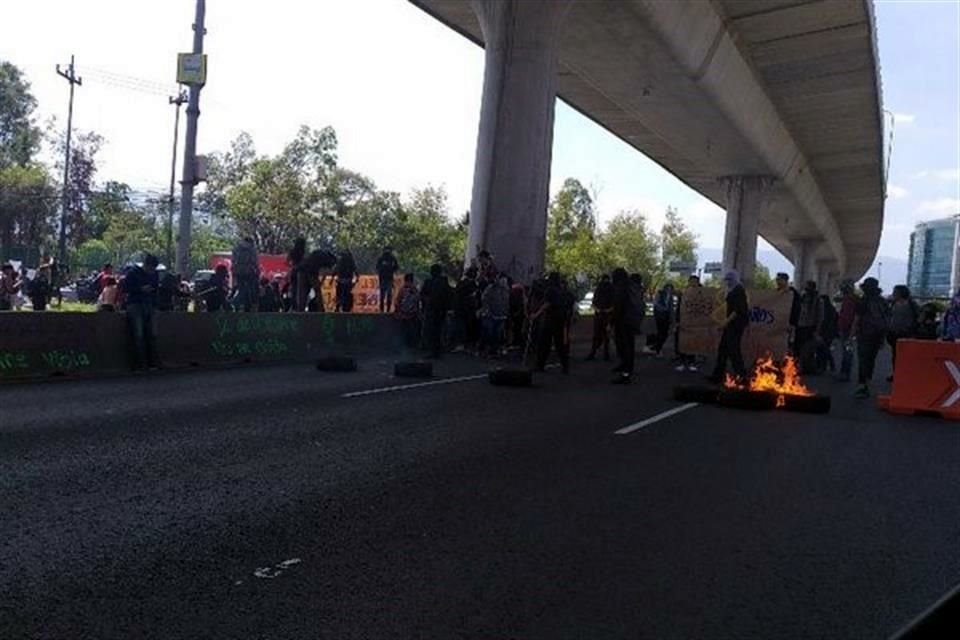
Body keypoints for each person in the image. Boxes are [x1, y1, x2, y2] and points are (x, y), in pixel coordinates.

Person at [708, 270, 750, 384]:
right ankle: (717, 376)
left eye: (729, 280)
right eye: (726, 280)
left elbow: (737, 310)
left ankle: (742, 376)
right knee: (723, 350)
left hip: (736, 324)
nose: (727, 282)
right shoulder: (733, 290)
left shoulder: (738, 290)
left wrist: (725, 323)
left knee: (733, 350)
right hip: (731, 324)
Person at [851, 277, 888, 398]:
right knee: (871, 359)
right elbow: (886, 319)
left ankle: (862, 385)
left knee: (863, 359)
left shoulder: (863, 300)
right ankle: (868, 380)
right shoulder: (882, 301)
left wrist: (852, 333)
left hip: (864, 334)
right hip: (878, 334)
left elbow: (857, 318)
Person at [122, 254, 160, 370]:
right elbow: (125, 288)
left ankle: (152, 363)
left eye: (153, 269)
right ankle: (139, 364)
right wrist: (140, 289)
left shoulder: (155, 275)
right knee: (138, 335)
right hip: (135, 304)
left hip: (149, 305)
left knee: (152, 334)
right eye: (150, 268)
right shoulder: (133, 273)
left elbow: (156, 288)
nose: (151, 271)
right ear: (145, 265)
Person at [610, 268, 645, 384]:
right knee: (629, 346)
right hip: (632, 320)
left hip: (623, 321)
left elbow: (618, 306)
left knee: (623, 346)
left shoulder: (621, 287)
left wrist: (612, 322)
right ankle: (627, 368)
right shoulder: (632, 286)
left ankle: (626, 374)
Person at [532, 272, 571, 374]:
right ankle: (565, 365)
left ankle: (540, 365)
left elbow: (547, 304)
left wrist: (536, 314)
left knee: (544, 343)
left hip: (550, 319)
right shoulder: (562, 290)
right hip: (560, 319)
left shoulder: (550, 290)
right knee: (560, 343)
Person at [886, 284, 918, 380]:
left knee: (904, 355)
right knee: (895, 354)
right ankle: (896, 373)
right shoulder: (893, 303)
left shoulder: (911, 304)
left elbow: (918, 316)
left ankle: (904, 373)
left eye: (895, 292)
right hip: (894, 332)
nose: (893, 293)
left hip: (906, 332)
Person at [794, 281, 824, 373]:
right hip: (800, 326)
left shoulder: (818, 300)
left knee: (807, 349)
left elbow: (820, 316)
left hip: (810, 327)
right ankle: (800, 367)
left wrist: (817, 330)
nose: (806, 290)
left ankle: (806, 368)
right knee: (798, 348)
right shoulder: (802, 297)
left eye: (808, 288)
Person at [674, 275, 701, 372]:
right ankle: (682, 361)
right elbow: (678, 308)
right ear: (689, 282)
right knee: (682, 341)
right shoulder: (684, 293)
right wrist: (677, 321)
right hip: (684, 321)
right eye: (691, 281)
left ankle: (691, 362)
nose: (693, 284)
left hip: (695, 323)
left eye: (695, 282)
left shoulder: (702, 294)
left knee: (693, 342)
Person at [479, 274, 511, 356]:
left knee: (498, 334)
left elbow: (507, 303)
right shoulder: (491, 288)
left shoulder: (506, 290)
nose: (504, 282)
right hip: (491, 315)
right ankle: (485, 349)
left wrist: (506, 313)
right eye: (502, 280)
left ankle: (494, 350)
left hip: (501, 315)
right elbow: (484, 299)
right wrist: (487, 310)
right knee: (489, 333)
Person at [587, 274, 615, 361]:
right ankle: (606, 355)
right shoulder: (611, 288)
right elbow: (614, 303)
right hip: (607, 315)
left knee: (596, 335)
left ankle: (593, 353)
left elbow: (594, 302)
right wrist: (608, 310)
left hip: (599, 314)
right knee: (606, 336)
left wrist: (598, 309)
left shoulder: (599, 288)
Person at [454, 267, 480, 352]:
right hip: (469, 310)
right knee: (469, 327)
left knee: (461, 327)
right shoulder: (474, 285)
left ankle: (461, 344)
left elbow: (457, 294)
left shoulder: (462, 283)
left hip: (461, 309)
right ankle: (468, 345)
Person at [836, 280, 858, 381]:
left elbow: (853, 317)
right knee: (846, 351)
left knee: (847, 352)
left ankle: (845, 373)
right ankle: (844, 372)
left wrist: (851, 333)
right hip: (846, 329)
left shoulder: (850, 300)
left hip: (848, 330)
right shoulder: (850, 299)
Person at [231, 237, 260, 312]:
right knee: (250, 289)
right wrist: (257, 270)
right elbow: (255, 261)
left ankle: (238, 304)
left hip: (238, 271)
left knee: (240, 289)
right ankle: (249, 305)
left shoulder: (236, 248)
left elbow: (233, 260)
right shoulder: (252, 249)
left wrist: (234, 271)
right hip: (249, 271)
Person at [395, 273, 422, 350]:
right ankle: (412, 346)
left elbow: (397, 302)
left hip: (403, 314)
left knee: (404, 331)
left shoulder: (402, 289)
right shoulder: (415, 289)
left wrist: (397, 312)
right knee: (413, 331)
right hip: (413, 315)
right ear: (412, 280)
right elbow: (418, 301)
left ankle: (404, 346)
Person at [776, 272, 800, 350]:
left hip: (788, 323)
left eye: (779, 279)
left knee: (786, 344)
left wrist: (792, 323)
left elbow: (796, 308)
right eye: (777, 279)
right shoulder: (775, 292)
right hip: (776, 322)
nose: (777, 282)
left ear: (785, 280)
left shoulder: (793, 293)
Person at [652, 283, 675, 358]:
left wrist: (672, 318)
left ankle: (657, 347)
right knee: (661, 333)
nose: (669, 290)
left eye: (671, 289)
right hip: (660, 316)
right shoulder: (659, 293)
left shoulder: (671, 297)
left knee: (665, 334)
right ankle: (658, 349)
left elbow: (671, 308)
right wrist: (663, 309)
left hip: (666, 317)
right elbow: (655, 304)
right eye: (668, 288)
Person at [817, 293, 839, 373]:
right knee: (825, 349)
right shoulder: (832, 309)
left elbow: (824, 321)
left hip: (825, 332)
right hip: (830, 332)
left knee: (823, 349)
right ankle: (827, 365)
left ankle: (822, 366)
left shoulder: (825, 310)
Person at [287, 237, 309, 312]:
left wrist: (292, 266)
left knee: (294, 290)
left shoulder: (292, 251)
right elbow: (306, 260)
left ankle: (294, 307)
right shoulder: (303, 251)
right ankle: (300, 307)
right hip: (302, 273)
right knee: (301, 291)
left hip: (294, 271)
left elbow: (287, 261)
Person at [376, 246, 400, 313]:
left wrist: (390, 269)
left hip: (387, 279)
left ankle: (386, 310)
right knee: (385, 295)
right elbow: (377, 267)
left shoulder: (391, 258)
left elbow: (396, 267)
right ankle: (383, 310)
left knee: (386, 295)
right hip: (385, 279)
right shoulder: (383, 258)